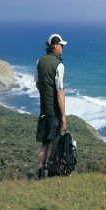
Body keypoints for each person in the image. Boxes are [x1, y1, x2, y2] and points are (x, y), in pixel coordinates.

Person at [34, 34, 68, 179]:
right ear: (54, 46)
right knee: (52, 142)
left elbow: (37, 83)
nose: (62, 48)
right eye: (61, 45)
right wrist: (63, 115)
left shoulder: (39, 62)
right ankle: (49, 172)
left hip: (43, 110)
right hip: (54, 110)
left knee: (43, 143)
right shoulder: (59, 65)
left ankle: (40, 172)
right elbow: (60, 91)